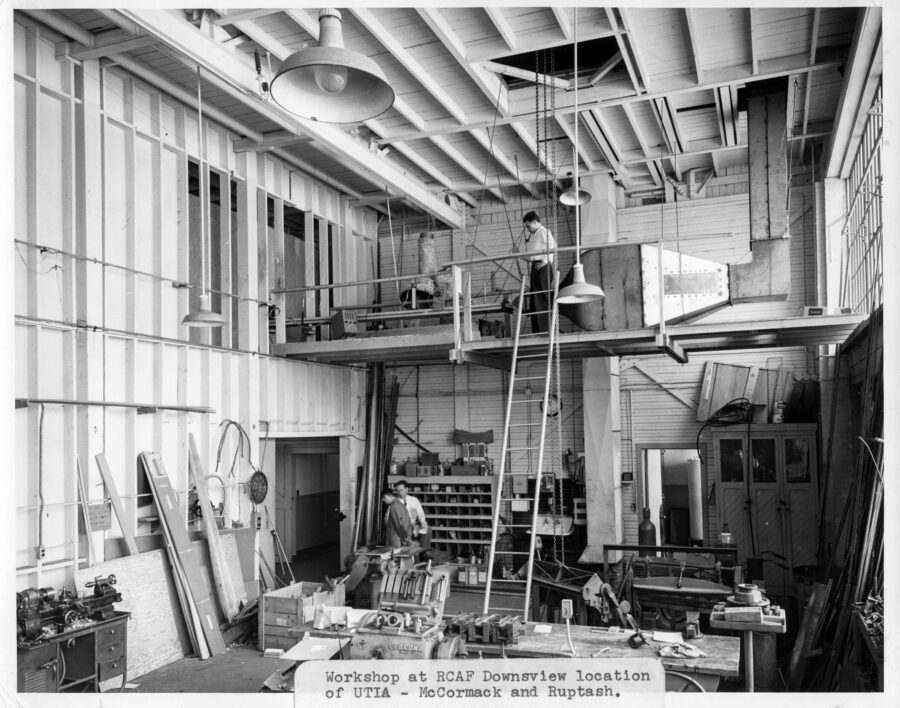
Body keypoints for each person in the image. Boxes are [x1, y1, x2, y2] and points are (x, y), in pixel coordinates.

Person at [522, 211, 557, 333]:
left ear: (535, 222)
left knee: (541, 298)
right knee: (535, 298)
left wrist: (546, 261)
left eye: (528, 226)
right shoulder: (537, 235)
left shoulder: (544, 232)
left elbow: (552, 247)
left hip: (542, 268)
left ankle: (544, 329)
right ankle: (538, 329)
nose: (528, 229)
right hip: (537, 268)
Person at [392, 480, 428, 545]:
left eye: (401, 490)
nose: (400, 493)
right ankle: (410, 545)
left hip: (413, 525)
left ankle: (423, 552)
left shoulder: (414, 500)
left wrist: (423, 524)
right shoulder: (394, 502)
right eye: (398, 491)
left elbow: (421, 515)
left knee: (428, 530)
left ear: (406, 489)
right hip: (400, 527)